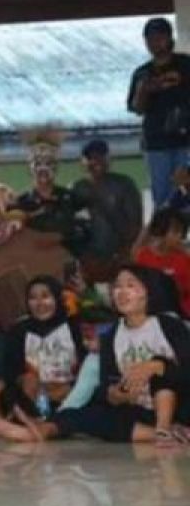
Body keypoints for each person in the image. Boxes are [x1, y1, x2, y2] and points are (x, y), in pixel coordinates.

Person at [0, 265, 190, 445]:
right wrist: (115, 394)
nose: (121, 292)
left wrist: (156, 366)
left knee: (160, 366)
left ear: (148, 292)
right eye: (117, 287)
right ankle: (42, 429)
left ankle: (166, 428)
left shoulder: (168, 325)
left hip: (180, 405)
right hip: (140, 410)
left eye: (130, 286)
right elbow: (106, 386)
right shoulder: (111, 335)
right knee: (87, 415)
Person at [0, 275, 86, 422]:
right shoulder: (18, 330)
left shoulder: (75, 327)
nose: (39, 303)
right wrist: (26, 380)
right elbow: (11, 370)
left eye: (45, 296)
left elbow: (88, 364)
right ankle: (33, 417)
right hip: (34, 393)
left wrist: (67, 386)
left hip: (69, 390)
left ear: (57, 299)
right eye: (33, 298)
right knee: (8, 394)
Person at [128, 17, 190, 207]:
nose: (155, 42)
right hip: (157, 144)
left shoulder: (186, 64)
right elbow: (136, 109)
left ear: (169, 38)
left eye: (160, 37)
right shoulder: (142, 73)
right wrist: (145, 90)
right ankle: (166, 235)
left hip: (186, 140)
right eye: (150, 38)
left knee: (186, 193)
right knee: (162, 197)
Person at [71, 140, 143, 284]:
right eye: (90, 158)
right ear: (83, 163)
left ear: (109, 159)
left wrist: (123, 253)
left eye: (100, 156)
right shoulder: (78, 188)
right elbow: (72, 226)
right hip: (88, 262)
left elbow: (135, 224)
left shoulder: (124, 184)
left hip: (119, 259)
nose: (96, 161)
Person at [11, 129, 88, 255]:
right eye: (37, 163)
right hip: (32, 263)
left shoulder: (73, 199)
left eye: (48, 163)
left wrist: (59, 239)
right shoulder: (20, 203)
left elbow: (85, 230)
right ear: (30, 168)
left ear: (56, 167)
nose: (43, 169)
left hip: (67, 262)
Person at [134, 208, 190, 318]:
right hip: (152, 310)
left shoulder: (183, 258)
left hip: (181, 311)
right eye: (175, 232)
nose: (180, 237)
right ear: (161, 231)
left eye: (181, 233)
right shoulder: (144, 256)